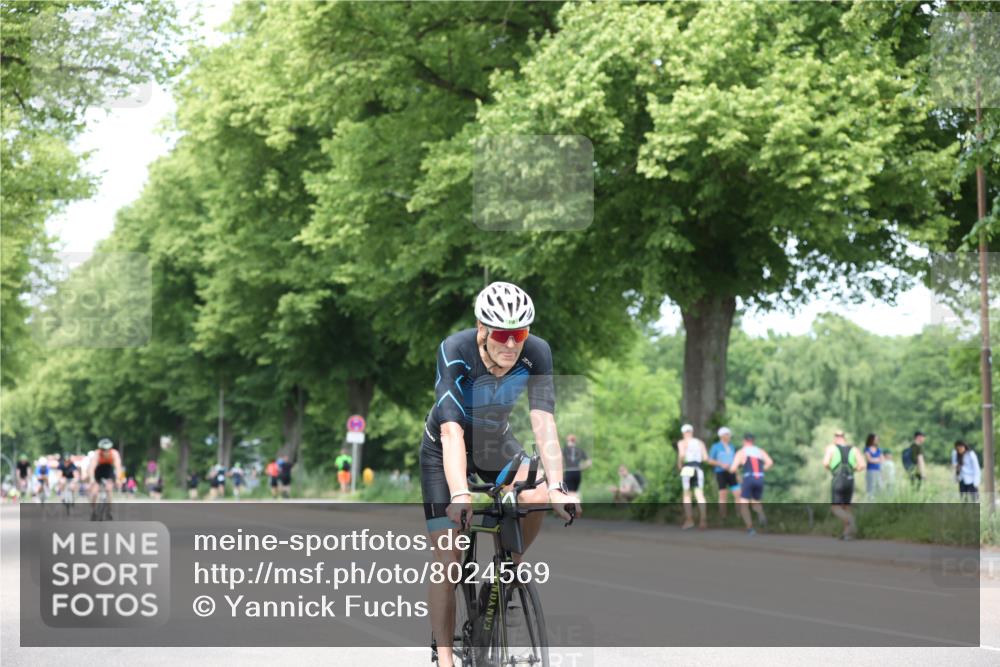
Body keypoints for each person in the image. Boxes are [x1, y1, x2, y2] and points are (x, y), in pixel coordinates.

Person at [419, 281, 578, 667]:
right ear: (482, 328)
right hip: (445, 449)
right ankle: (444, 657)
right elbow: (452, 432)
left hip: (496, 446)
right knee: (449, 557)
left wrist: (558, 487)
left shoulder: (536, 353)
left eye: (519, 334)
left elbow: (543, 423)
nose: (511, 344)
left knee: (536, 495)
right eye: (503, 335)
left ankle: (507, 570)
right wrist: (460, 494)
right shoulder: (455, 351)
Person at [823, 431, 865, 540]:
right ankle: (847, 534)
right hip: (850, 479)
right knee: (847, 507)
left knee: (835, 508)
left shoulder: (831, 448)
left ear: (835, 438)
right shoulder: (854, 449)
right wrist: (852, 469)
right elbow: (862, 465)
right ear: (844, 438)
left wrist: (833, 470)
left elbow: (825, 463)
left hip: (838, 479)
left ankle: (850, 521)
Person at [729, 434, 772, 535]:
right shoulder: (760, 451)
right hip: (760, 478)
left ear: (744, 441)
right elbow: (770, 462)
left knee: (744, 503)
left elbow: (733, 468)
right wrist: (761, 470)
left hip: (748, 478)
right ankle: (761, 514)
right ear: (753, 441)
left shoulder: (742, 452)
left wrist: (733, 469)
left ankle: (750, 528)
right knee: (755, 502)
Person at [677, 424, 708, 530]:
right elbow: (705, 458)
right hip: (698, 468)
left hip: (687, 468)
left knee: (686, 495)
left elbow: (681, 455)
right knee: (699, 494)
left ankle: (689, 520)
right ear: (692, 431)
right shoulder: (700, 442)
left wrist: (679, 464)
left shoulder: (682, 442)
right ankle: (703, 519)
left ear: (683, 433)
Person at [707, 426, 740, 519]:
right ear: (722, 436)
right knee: (723, 494)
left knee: (738, 493)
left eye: (729, 434)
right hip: (721, 472)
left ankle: (739, 515)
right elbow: (710, 460)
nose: (729, 436)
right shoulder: (716, 446)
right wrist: (720, 464)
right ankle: (722, 516)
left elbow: (735, 461)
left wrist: (737, 474)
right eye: (727, 434)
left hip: (732, 472)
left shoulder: (732, 446)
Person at [87, 438, 123, 520]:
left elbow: (118, 467)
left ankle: (109, 510)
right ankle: (93, 510)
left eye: (107, 450)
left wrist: (118, 479)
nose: (105, 451)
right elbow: (92, 468)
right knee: (94, 492)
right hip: (98, 471)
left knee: (109, 489)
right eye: (103, 450)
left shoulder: (114, 453)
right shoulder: (97, 454)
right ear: (100, 449)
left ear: (110, 449)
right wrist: (92, 479)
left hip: (108, 470)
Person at [562, 434, 592, 499]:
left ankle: (573, 506)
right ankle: (577, 505)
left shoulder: (565, 450)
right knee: (575, 491)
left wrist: (562, 468)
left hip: (569, 472)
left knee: (569, 492)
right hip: (577, 472)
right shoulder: (580, 450)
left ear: (568, 441)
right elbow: (589, 462)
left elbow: (559, 460)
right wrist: (581, 468)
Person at [863, 433, 884, 499]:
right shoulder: (867, 449)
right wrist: (878, 459)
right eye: (876, 439)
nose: (877, 440)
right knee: (871, 487)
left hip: (878, 470)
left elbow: (882, 459)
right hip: (871, 470)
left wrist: (875, 459)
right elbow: (869, 460)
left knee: (880, 487)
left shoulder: (878, 449)